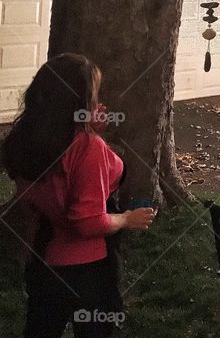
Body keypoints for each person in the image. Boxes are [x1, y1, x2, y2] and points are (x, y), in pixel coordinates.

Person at [1, 54, 156, 338]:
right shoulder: (87, 149)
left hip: (44, 258)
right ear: (79, 101)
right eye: (93, 93)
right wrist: (126, 219)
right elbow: (87, 222)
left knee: (41, 329)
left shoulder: (23, 139)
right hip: (89, 270)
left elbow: (54, 182)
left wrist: (88, 130)